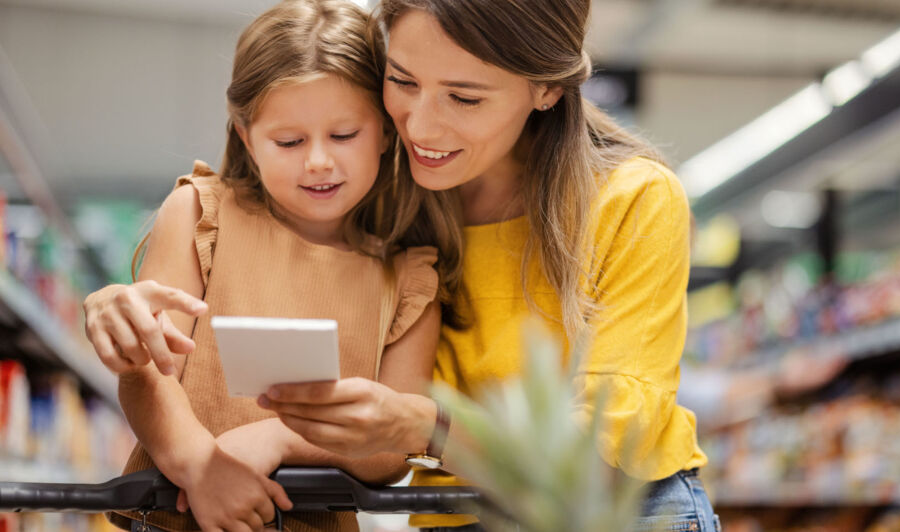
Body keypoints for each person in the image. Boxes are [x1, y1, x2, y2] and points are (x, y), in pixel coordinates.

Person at [256, 0, 720, 530]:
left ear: (546, 89)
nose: (421, 126)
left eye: (464, 97)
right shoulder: (378, 199)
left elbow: (597, 456)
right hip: (452, 516)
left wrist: (423, 427)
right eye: (403, 82)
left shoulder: (631, 199)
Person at [80, 1, 460, 530]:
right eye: (289, 141)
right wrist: (202, 467)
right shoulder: (199, 214)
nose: (319, 161)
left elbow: (390, 451)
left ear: (388, 132)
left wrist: (280, 438)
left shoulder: (411, 279)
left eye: (345, 135)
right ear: (244, 135)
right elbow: (149, 372)